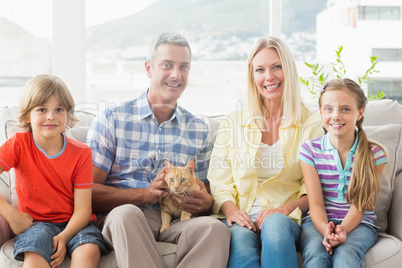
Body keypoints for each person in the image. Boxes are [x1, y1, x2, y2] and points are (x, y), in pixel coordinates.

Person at [85, 32, 230, 268]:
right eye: (167, 65)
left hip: (175, 219)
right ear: (148, 68)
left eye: (184, 67)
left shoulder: (198, 129)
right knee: (127, 215)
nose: (176, 74)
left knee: (215, 229)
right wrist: (142, 195)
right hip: (125, 218)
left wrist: (204, 202)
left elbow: (207, 190)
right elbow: (85, 191)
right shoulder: (113, 119)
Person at [207, 36, 323, 268]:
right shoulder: (233, 122)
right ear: (252, 76)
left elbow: (315, 186)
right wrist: (231, 210)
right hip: (242, 215)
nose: (269, 77)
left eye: (276, 67)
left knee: (275, 226)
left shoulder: (313, 123)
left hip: (287, 217)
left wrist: (283, 210)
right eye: (260, 70)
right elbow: (219, 181)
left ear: (288, 70)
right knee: (239, 239)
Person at [0, 74, 109, 268]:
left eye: (59, 109)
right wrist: (10, 213)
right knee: (35, 252)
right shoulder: (18, 144)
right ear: (27, 115)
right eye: (42, 109)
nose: (51, 116)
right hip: (35, 225)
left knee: (88, 249)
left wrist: (64, 237)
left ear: (67, 115)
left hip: (75, 224)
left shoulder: (82, 152)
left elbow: (83, 210)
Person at [298, 78, 388, 267]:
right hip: (318, 222)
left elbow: (360, 206)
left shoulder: (375, 155)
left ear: (360, 113)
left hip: (360, 224)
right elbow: (315, 205)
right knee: (316, 253)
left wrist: (342, 230)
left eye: (345, 109)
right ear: (321, 112)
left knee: (346, 255)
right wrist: (325, 229)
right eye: (329, 109)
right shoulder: (309, 151)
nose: (336, 116)